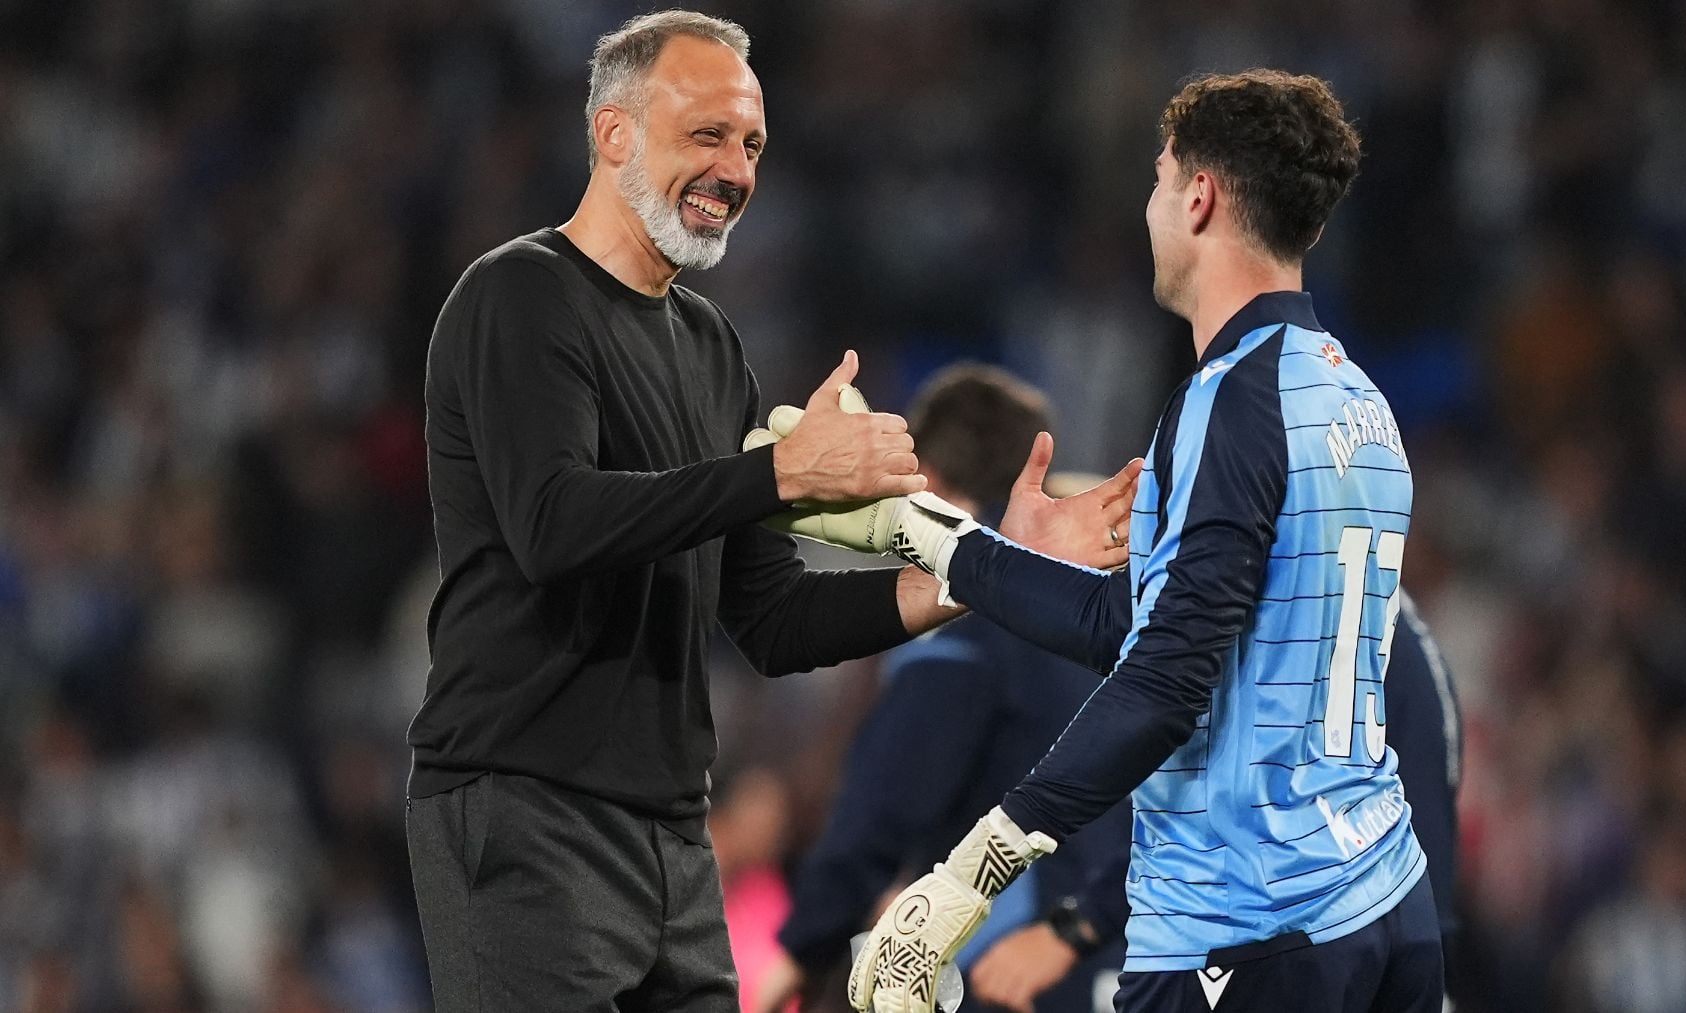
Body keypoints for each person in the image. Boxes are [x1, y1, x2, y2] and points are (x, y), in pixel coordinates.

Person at [403, 11, 1132, 1011]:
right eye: (706, 134)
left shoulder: (710, 347)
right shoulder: (519, 297)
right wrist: (781, 473)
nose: (735, 170)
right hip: (526, 807)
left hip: (671, 833)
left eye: (750, 144)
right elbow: (553, 525)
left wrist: (988, 568)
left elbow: (775, 617)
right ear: (612, 133)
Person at [782, 71, 1442, 1012]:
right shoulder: (1359, 402)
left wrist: (971, 873)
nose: (1150, 207)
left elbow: (1166, 681)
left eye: (1158, 179)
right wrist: (924, 532)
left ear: (1199, 197)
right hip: (1382, 905)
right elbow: (1134, 626)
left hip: (1248, 927)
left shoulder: (1233, 400)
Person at [751, 366, 1131, 1013]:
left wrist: (804, 943)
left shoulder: (968, 638)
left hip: (1007, 970)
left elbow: (884, 806)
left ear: (923, 478)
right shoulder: (1102, 621)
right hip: (1122, 956)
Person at [967, 590, 1463, 1012]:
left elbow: (1242, 817)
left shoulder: (1296, 605)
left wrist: (1077, 927)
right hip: (1381, 946)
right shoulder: (1373, 608)